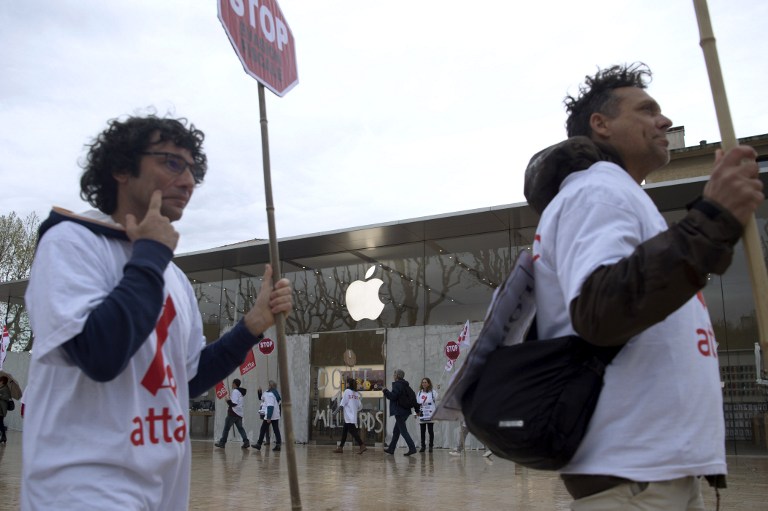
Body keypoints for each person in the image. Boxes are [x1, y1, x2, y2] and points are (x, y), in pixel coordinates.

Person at [21, 114, 294, 510]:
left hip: (161, 489)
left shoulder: (174, 279)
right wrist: (150, 253)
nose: (187, 181)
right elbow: (100, 354)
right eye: (171, 163)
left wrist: (252, 325)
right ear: (120, 168)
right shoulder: (71, 243)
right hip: (83, 487)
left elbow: (184, 378)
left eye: (193, 170)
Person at [524, 63, 763, 509]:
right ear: (602, 124)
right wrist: (713, 219)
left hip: (653, 476)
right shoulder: (597, 189)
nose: (665, 121)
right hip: (634, 484)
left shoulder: (620, 194)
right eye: (647, 110)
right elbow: (601, 308)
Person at [382, 368, 417, 456]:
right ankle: (391, 449)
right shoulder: (405, 385)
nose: (393, 376)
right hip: (405, 411)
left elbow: (393, 396)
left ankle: (412, 448)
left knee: (403, 431)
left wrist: (385, 391)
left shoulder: (397, 384)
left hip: (399, 411)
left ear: (397, 376)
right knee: (396, 431)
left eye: (394, 375)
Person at [333, 377, 367, 454]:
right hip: (353, 416)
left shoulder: (347, 391)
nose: (346, 384)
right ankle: (341, 447)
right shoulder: (356, 393)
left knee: (352, 431)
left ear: (348, 384)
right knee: (345, 431)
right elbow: (360, 406)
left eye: (346, 383)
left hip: (348, 416)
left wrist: (335, 413)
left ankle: (362, 445)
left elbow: (342, 404)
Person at [215, 378, 250, 449]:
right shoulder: (240, 392)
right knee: (240, 428)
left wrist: (227, 400)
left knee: (226, 429)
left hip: (233, 413)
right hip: (239, 413)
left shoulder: (235, 391)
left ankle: (222, 443)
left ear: (234, 384)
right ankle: (246, 442)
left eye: (232, 383)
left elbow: (234, 404)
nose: (231, 385)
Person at [253, 380, 282, 451]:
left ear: (271, 386)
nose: (268, 386)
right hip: (275, 415)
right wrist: (260, 392)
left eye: (269, 385)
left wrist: (269, 417)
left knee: (263, 429)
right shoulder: (275, 393)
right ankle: (278, 444)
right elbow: (261, 398)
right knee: (276, 430)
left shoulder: (270, 395)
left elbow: (270, 406)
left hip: (270, 415)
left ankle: (259, 444)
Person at [415, 377, 437, 453]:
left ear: (428, 383)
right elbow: (417, 403)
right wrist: (415, 413)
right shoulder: (419, 393)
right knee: (422, 431)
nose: (424, 383)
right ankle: (423, 446)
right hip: (422, 414)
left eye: (425, 382)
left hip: (430, 414)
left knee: (430, 431)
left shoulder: (432, 392)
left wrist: (438, 389)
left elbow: (438, 398)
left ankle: (431, 446)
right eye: (423, 382)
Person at [0, 376, 11, 444]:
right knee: (0, 422)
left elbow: (7, 397)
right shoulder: (2, 388)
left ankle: (3, 436)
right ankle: (3, 436)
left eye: (0, 380)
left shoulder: (5, 388)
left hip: (2, 409)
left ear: (3, 381)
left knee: (0, 422)